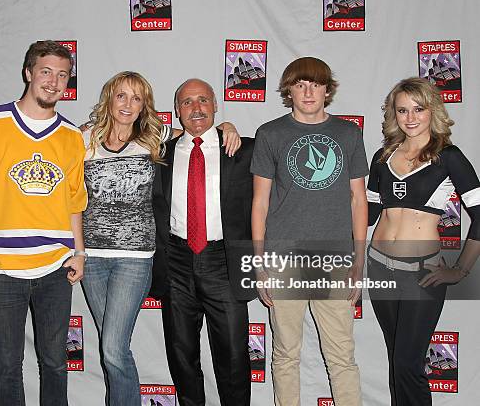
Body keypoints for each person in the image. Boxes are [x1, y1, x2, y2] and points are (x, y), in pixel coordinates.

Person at [81, 71, 241, 406]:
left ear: (145, 106)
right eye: (121, 95)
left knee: (112, 347)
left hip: (139, 258)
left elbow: (198, 130)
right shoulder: (83, 139)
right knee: (117, 347)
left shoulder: (154, 139)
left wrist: (227, 127)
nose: (128, 104)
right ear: (109, 97)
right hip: (95, 258)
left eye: (137, 98)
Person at [0, 41, 87, 406]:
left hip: (54, 267)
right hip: (2, 267)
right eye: (46, 71)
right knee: (7, 366)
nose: (54, 81)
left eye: (63, 74)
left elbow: (73, 203)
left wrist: (79, 252)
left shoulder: (71, 136)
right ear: (28, 73)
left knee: (55, 363)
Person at [251, 57, 366, 406]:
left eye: (315, 84)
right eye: (300, 84)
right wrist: (259, 264)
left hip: (334, 260)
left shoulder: (348, 134)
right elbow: (259, 203)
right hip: (283, 259)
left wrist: (358, 261)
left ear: (327, 89)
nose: (308, 91)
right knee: (286, 355)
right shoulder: (270, 134)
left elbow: (358, 199)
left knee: (342, 357)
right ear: (289, 90)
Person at [366, 77, 479, 406]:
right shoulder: (382, 156)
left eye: (418, 109)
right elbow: (370, 214)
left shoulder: (449, 157)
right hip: (379, 269)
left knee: (408, 363)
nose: (410, 117)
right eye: (402, 110)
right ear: (393, 114)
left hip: (421, 274)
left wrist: (460, 270)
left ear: (433, 110)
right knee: (396, 361)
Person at [151, 78, 255, 406]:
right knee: (182, 356)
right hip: (177, 262)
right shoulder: (159, 155)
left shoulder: (243, 149)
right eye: (187, 102)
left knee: (235, 357)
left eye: (203, 101)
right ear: (177, 112)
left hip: (224, 260)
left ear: (215, 106)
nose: (196, 108)